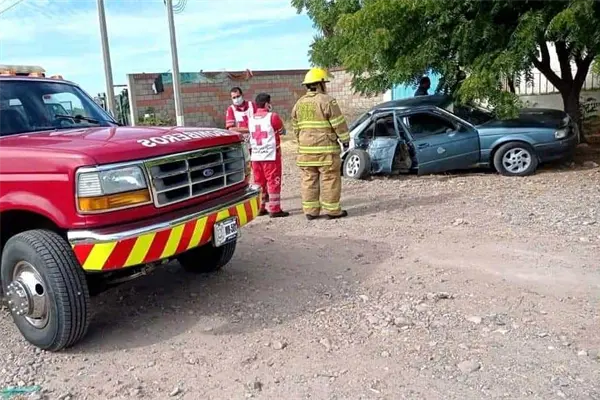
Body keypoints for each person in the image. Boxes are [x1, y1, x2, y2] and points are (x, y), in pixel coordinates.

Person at [291, 67, 350, 220]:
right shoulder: (327, 101)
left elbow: (296, 128)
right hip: (326, 151)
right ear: (320, 84)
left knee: (308, 180)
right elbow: (338, 123)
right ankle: (332, 211)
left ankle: (311, 211)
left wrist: (303, 143)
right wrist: (345, 140)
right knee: (330, 179)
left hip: (305, 152)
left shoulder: (299, 103)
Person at [247, 93, 290, 218]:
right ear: (267, 104)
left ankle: (260, 207)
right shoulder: (273, 116)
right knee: (273, 181)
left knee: (259, 182)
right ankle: (275, 209)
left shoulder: (251, 118)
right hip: (270, 155)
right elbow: (282, 131)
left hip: (256, 155)